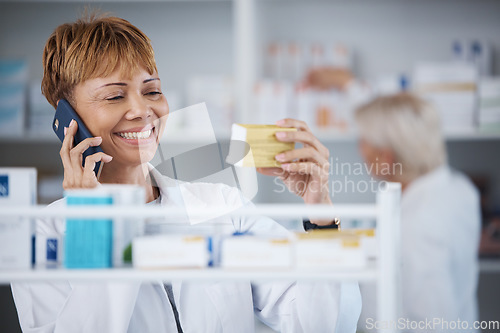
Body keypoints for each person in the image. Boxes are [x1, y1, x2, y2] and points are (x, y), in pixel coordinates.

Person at [11, 14, 361, 332]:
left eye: (153, 91)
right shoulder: (43, 235)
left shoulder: (222, 208)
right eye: (115, 96)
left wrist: (320, 212)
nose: (142, 110)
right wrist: (96, 221)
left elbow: (321, 324)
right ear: (67, 119)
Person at [354, 93, 481, 331]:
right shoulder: (458, 187)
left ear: (387, 155)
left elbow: (434, 323)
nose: (360, 149)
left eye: (364, 140)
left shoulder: (416, 224)